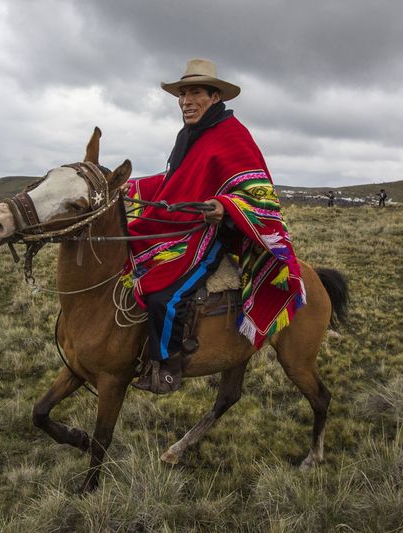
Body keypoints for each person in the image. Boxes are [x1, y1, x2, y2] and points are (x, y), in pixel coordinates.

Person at [124, 58, 304, 394]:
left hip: (211, 235)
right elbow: (174, 182)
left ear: (215, 96)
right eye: (182, 94)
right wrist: (132, 187)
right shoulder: (190, 136)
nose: (185, 101)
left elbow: (258, 192)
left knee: (167, 292)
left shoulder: (232, 135)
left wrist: (225, 205)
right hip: (183, 227)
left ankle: (167, 365)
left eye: (194, 93)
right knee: (132, 259)